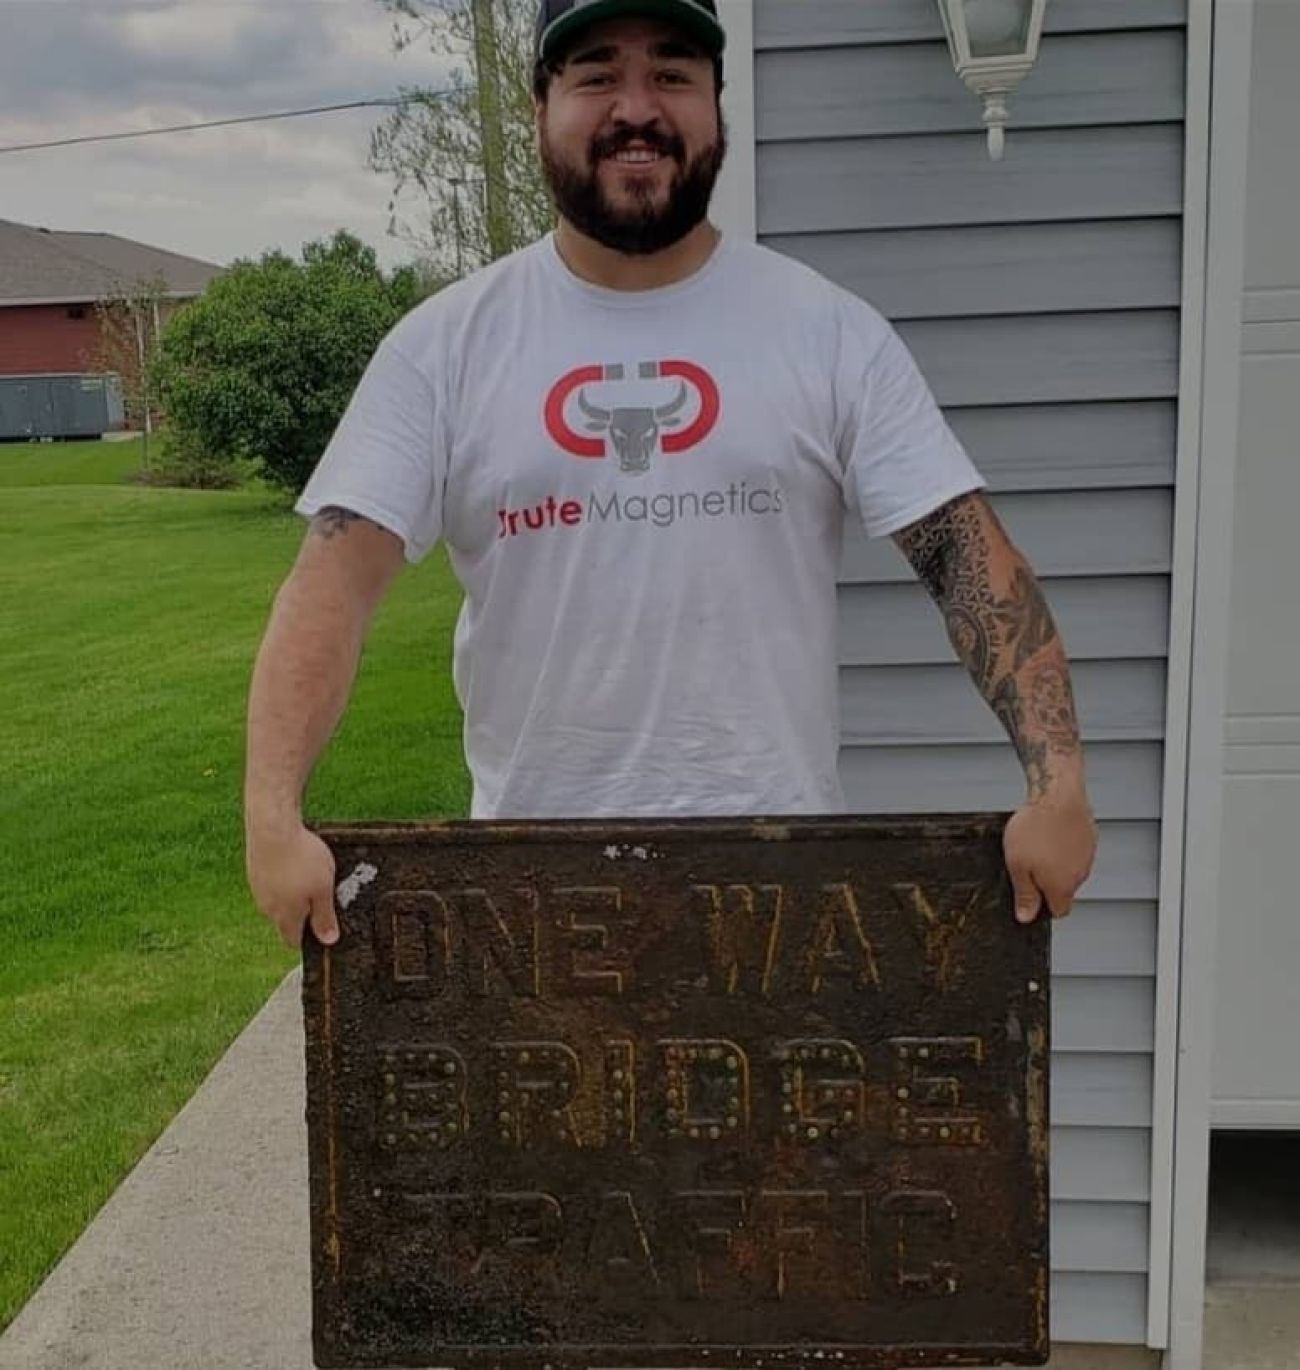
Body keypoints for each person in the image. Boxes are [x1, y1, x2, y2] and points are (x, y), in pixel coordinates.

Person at [244, 0, 1097, 951]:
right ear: (542, 106)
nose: (637, 109)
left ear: (718, 105)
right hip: (528, 910)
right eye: (598, 74)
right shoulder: (445, 348)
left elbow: (964, 557)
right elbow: (332, 585)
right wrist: (272, 816)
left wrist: (1057, 784)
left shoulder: (829, 334)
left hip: (782, 907)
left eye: (674, 75)